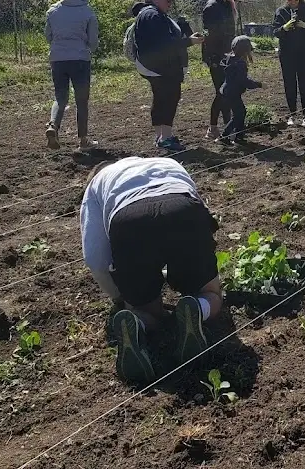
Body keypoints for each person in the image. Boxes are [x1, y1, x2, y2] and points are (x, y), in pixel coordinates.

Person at [80, 156, 221, 386]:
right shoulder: (168, 162)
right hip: (182, 207)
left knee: (149, 312)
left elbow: (95, 259)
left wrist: (120, 296)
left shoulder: (96, 185)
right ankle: (196, 308)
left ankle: (137, 322)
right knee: (211, 293)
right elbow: (200, 211)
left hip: (129, 221)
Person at [132, 0, 205, 152]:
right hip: (160, 67)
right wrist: (189, 41)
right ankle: (165, 137)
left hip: (153, 65)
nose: (170, 3)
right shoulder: (153, 15)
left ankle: (160, 136)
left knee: (160, 99)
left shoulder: (150, 13)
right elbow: (166, 44)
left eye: (172, 0)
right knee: (169, 99)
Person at [44, 0, 99, 150]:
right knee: (82, 100)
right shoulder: (88, 12)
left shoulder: (53, 10)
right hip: (80, 59)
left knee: (60, 97)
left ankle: (53, 125)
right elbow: (93, 42)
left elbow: (48, 36)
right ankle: (83, 140)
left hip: (57, 59)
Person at [202, 0, 242, 140]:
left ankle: (228, 127)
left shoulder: (226, 5)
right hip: (217, 57)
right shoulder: (212, 7)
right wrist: (216, 58)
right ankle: (212, 128)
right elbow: (211, 37)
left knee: (229, 92)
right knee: (222, 92)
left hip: (228, 55)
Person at [272, 0, 305, 126]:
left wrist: (304, 25)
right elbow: (275, 31)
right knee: (289, 84)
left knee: (304, 83)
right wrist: (284, 28)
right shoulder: (281, 12)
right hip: (287, 54)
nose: (292, 2)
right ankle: (292, 115)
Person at [219, 36, 263, 144]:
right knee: (239, 114)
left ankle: (239, 136)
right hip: (232, 92)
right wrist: (259, 84)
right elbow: (244, 81)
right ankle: (224, 136)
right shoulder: (240, 64)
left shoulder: (231, 59)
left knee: (241, 113)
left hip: (228, 90)